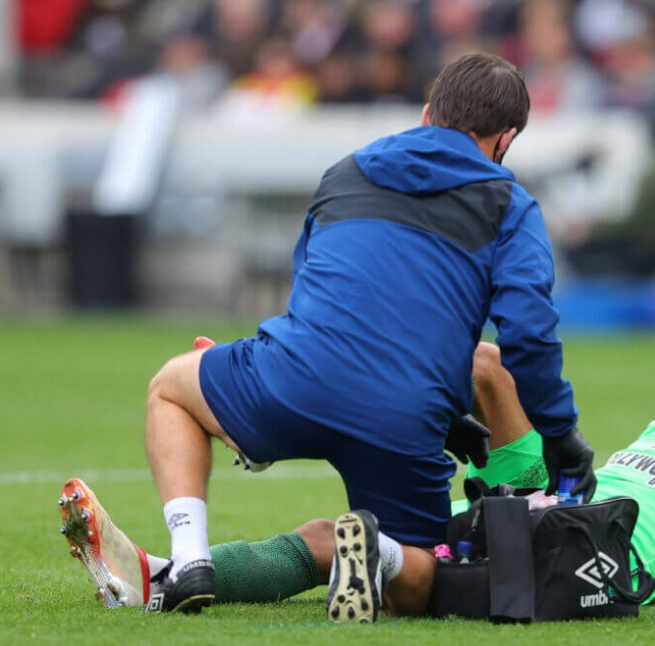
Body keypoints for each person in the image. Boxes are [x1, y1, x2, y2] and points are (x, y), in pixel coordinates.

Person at [136, 52, 594, 619]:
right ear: (506, 139)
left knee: (171, 388)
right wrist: (559, 433)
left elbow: (314, 293)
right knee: (425, 576)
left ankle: (189, 557)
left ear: (427, 114)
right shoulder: (510, 205)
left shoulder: (346, 171)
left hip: (294, 379)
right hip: (403, 417)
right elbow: (528, 334)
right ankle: (381, 552)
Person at [62, 304, 655, 617]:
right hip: (549, 510)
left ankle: (367, 554)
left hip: (590, 561)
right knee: (482, 366)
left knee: (361, 547)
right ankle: (167, 569)